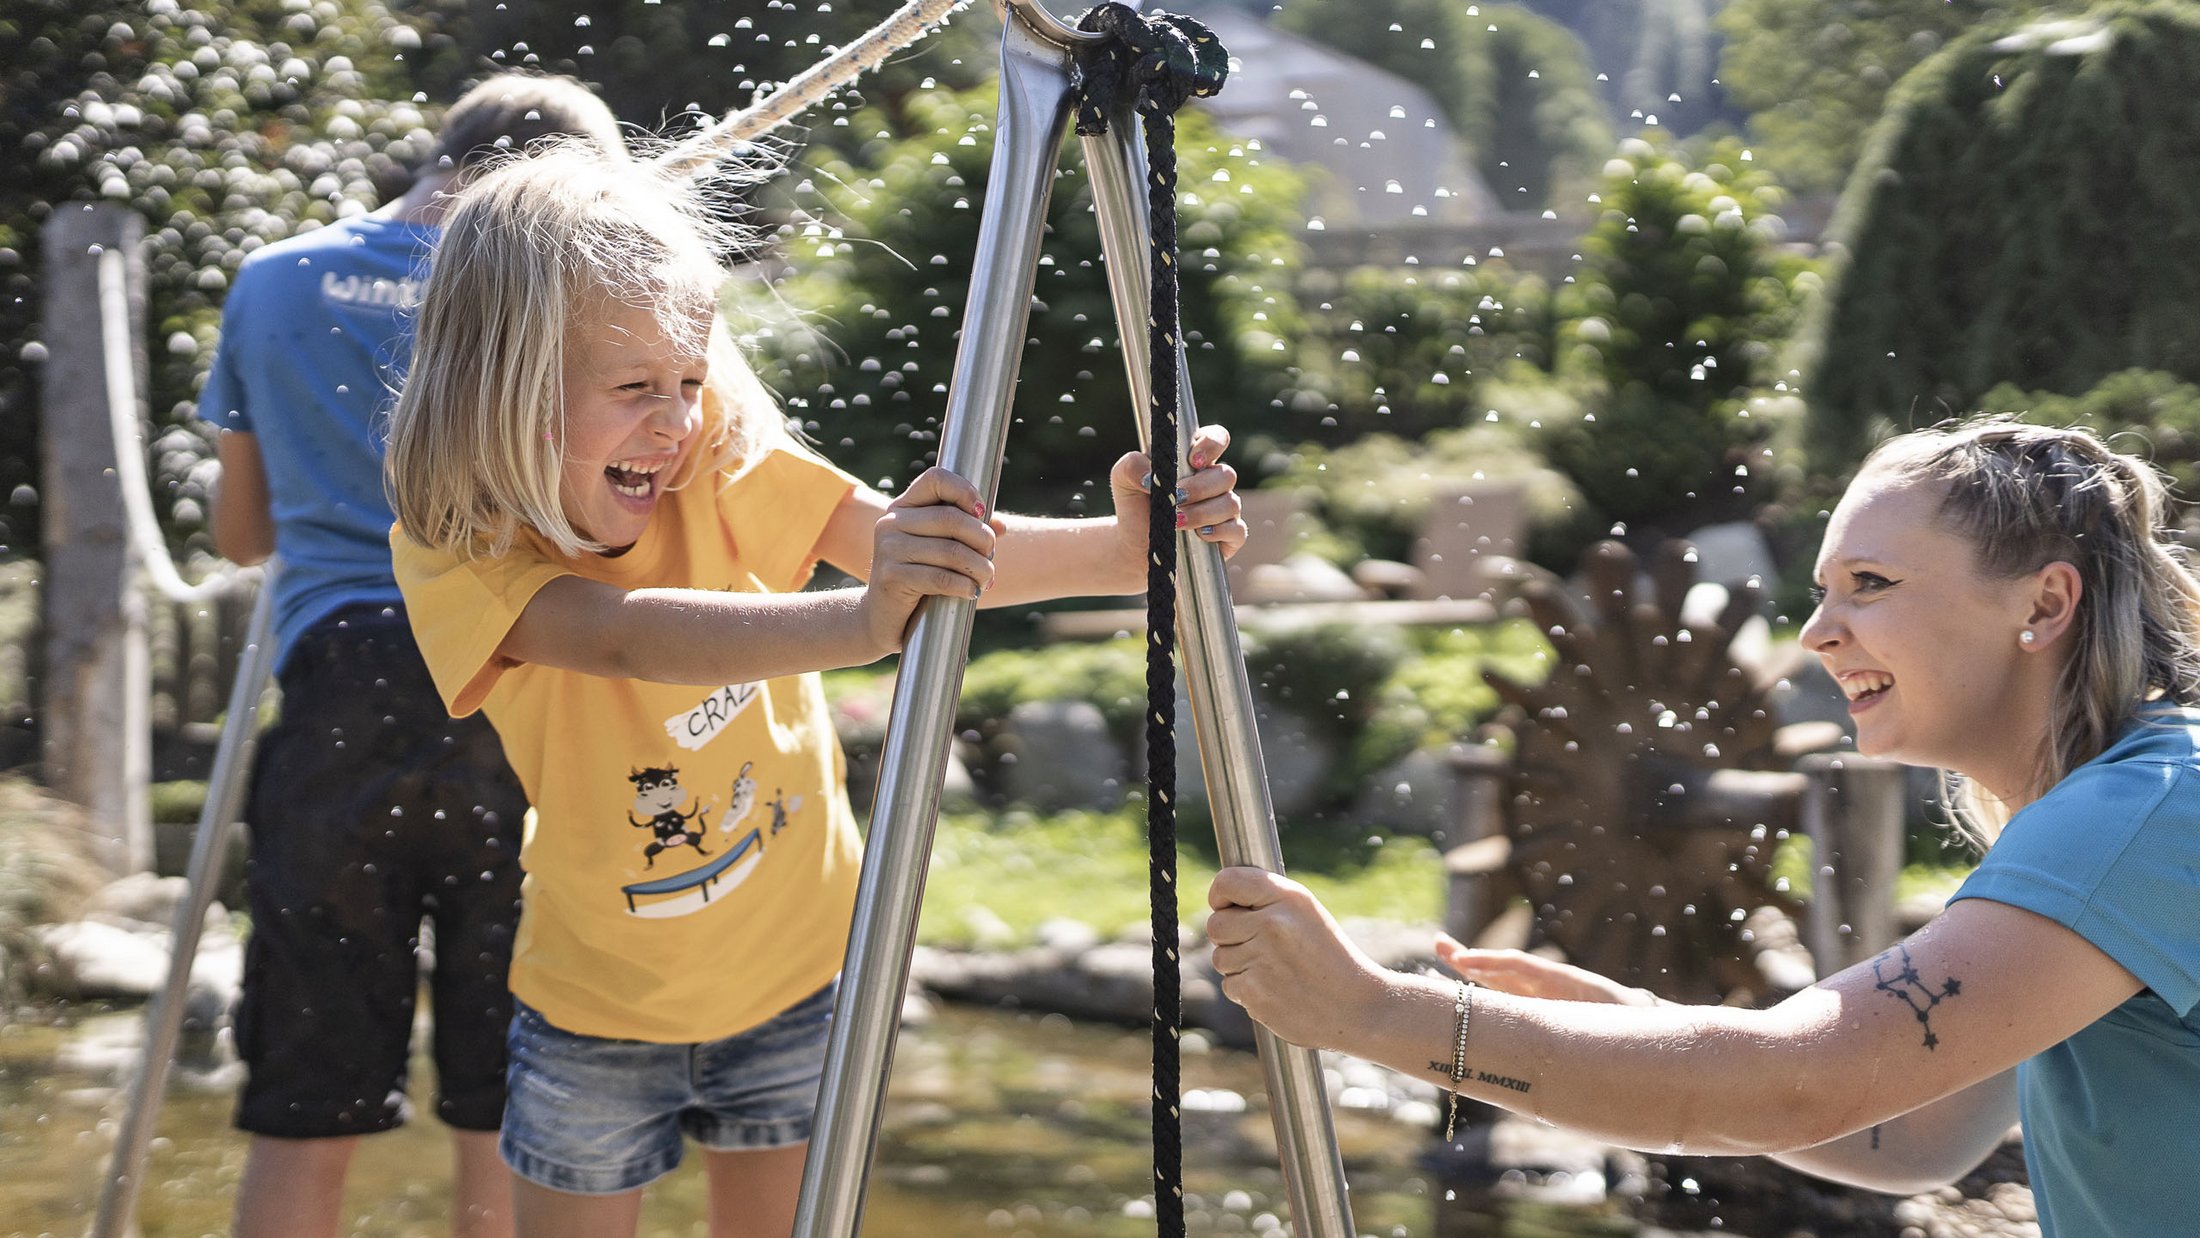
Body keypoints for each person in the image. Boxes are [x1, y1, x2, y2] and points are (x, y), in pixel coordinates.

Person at [381, 140, 1247, 1238]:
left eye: (690, 380)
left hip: (801, 970)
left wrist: (1121, 550)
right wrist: (858, 620)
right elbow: (615, 634)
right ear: (506, 380)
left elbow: (901, 541)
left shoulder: (714, 457)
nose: (676, 420)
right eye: (636, 385)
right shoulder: (457, 538)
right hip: (595, 1004)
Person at [1207, 417, 2200, 1236]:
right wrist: (1639, 1021)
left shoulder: (2132, 818)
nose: (1815, 630)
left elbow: (1800, 1084)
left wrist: (1371, 1014)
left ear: (2045, 601)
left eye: (1870, 583)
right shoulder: (2124, 807)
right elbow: (1911, 1137)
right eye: (1820, 587)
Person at [200, 74, 626, 1238]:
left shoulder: (273, 278)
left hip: (339, 686)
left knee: (305, 1102)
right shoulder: (563, 290)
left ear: (444, 153)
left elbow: (241, 538)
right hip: (520, 680)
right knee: (511, 1090)